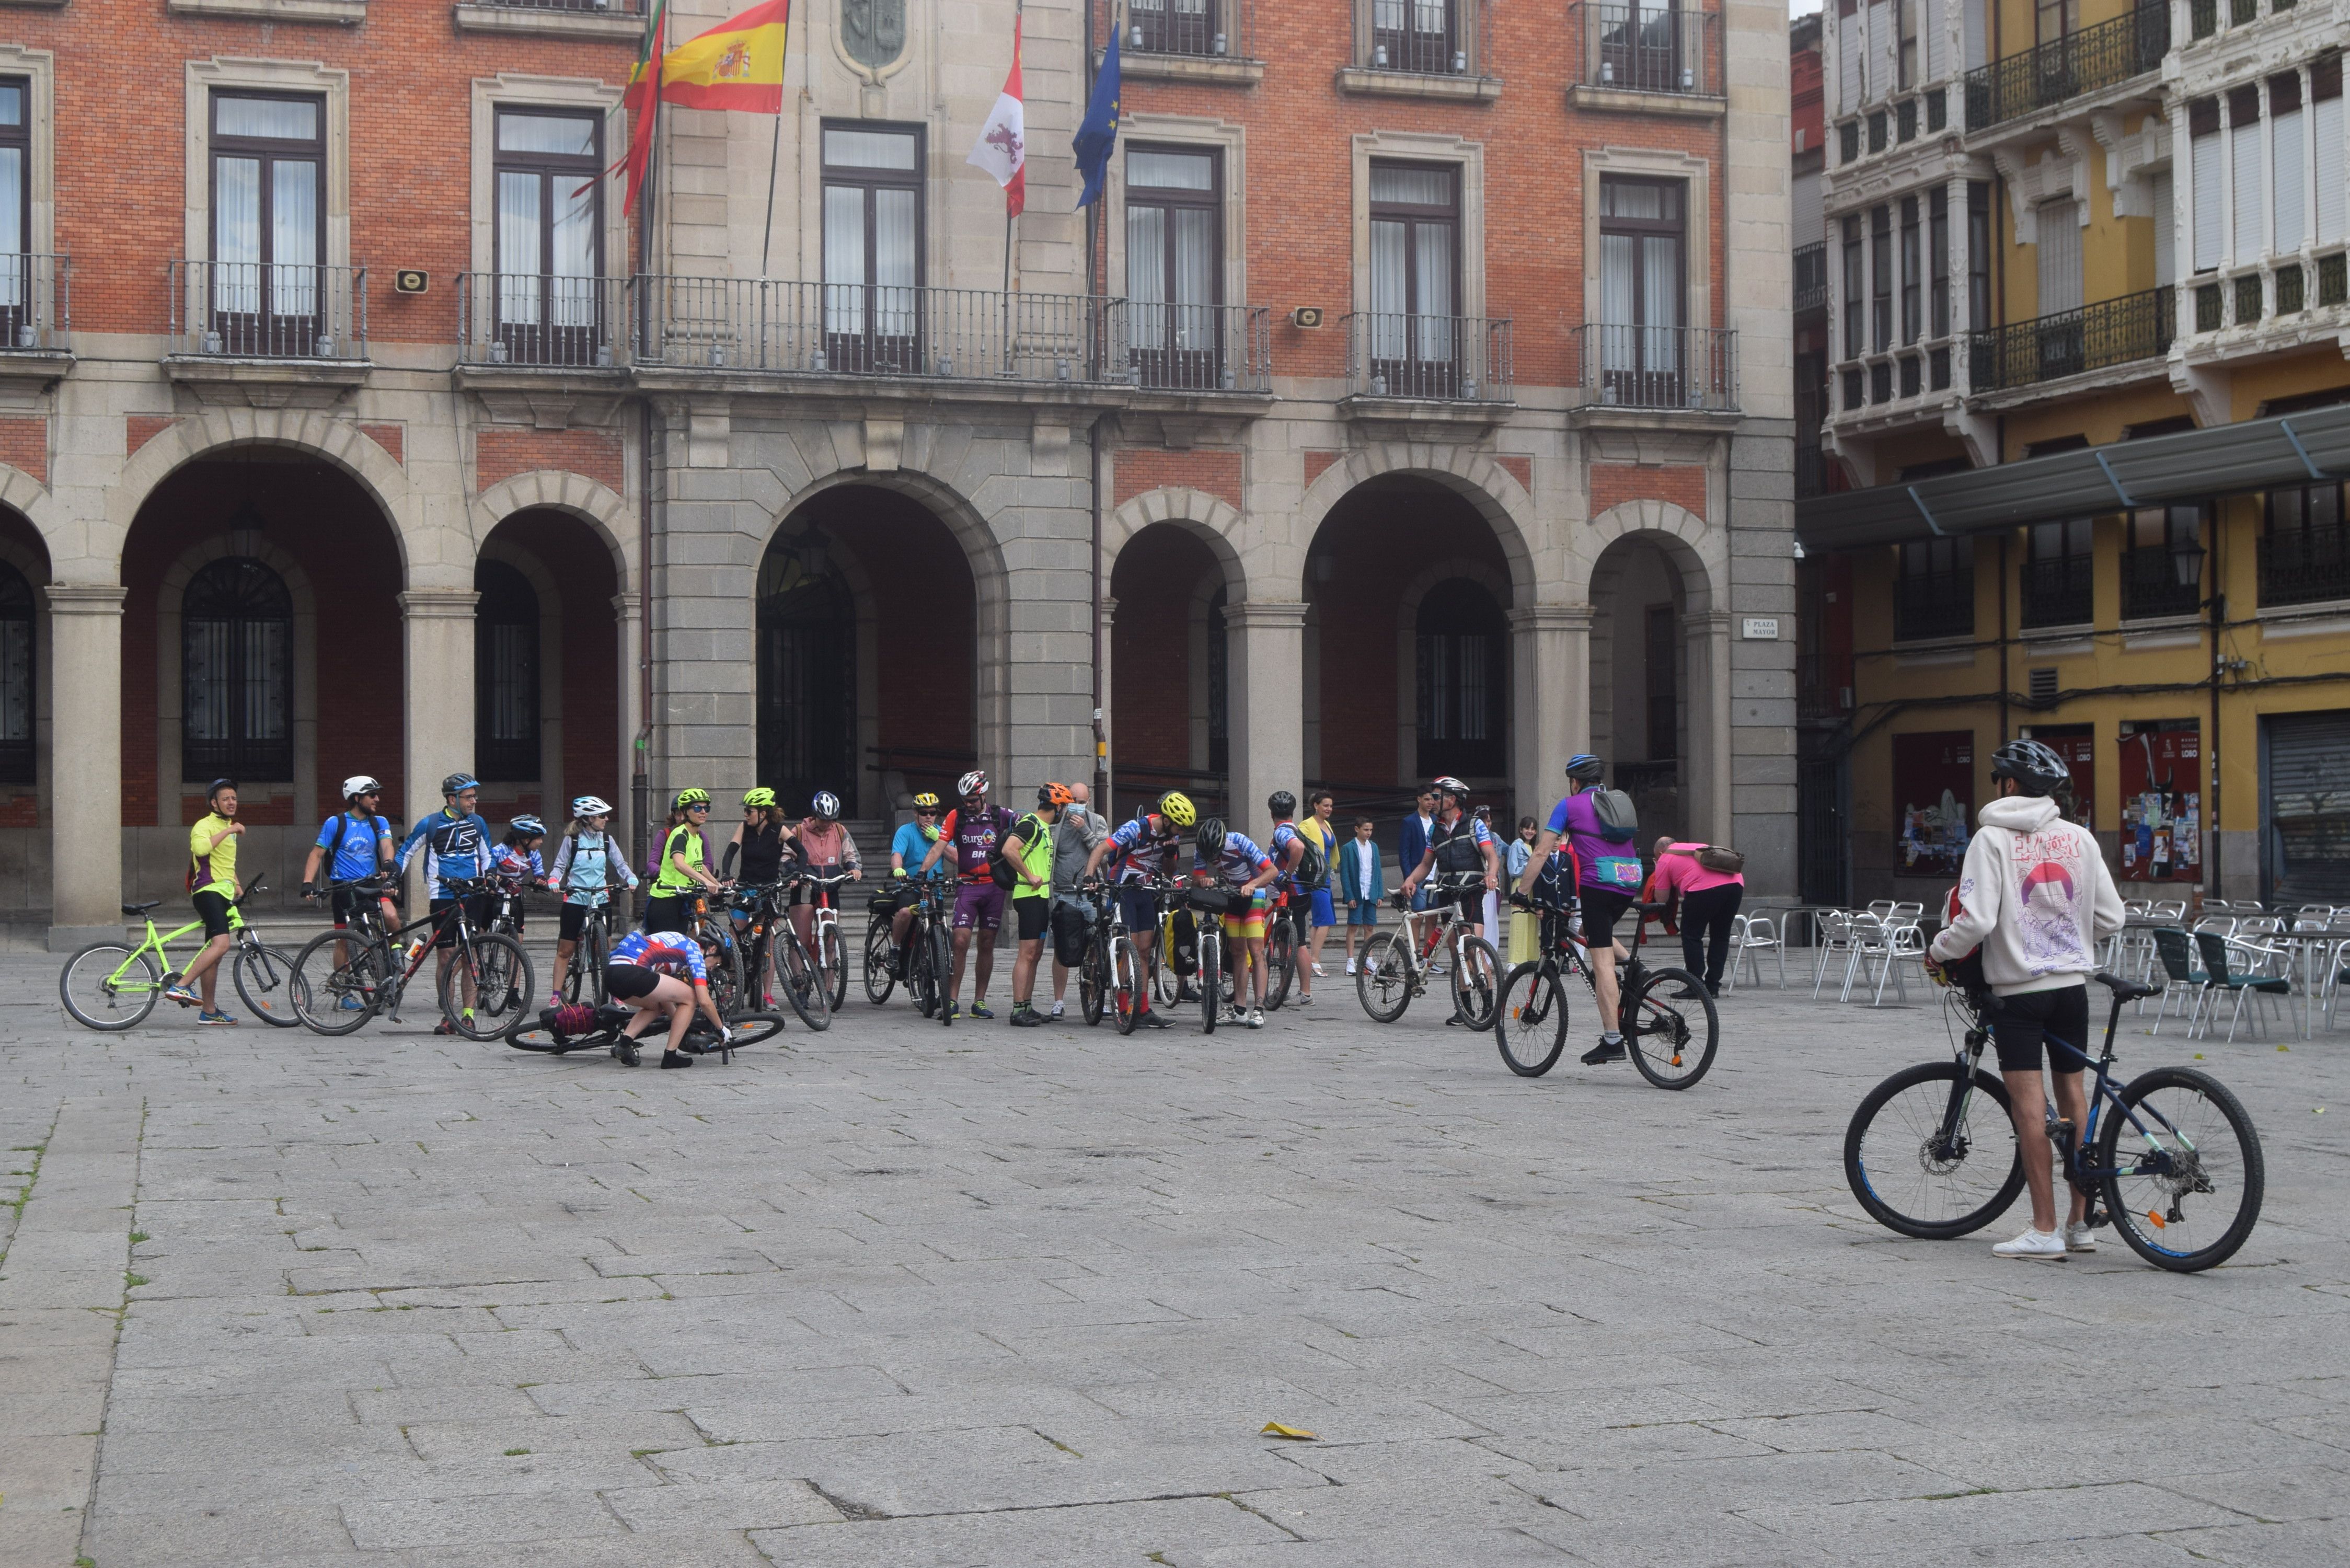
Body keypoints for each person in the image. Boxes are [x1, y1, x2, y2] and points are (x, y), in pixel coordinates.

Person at [1928, 738, 2125, 1261]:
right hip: (2070, 990)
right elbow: (2110, 918)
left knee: (2028, 1107)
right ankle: (2079, 1225)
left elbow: (1974, 921)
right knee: (2073, 1098)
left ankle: (2043, 1229)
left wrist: (1938, 949)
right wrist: (2063, 933)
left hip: (2017, 994)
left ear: (2007, 785)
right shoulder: (2078, 839)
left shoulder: (1989, 840)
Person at [1517, 755, 1644, 1066]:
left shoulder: (1569, 805)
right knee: (1589, 932)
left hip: (1597, 884)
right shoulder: (1615, 802)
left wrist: (1521, 893)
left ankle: (1613, 1040)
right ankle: (1634, 967)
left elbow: (1543, 851)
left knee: (1600, 961)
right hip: (1629, 880)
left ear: (1574, 782)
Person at [1080, 789, 1193, 1029]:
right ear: (1167, 820)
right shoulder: (1137, 828)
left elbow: (1170, 871)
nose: (1182, 833)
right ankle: (1123, 1005)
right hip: (1124, 889)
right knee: (1127, 948)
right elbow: (1100, 850)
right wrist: (1089, 876)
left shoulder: (1172, 835)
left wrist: (1171, 852)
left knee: (1143, 951)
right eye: (1180, 828)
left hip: (1147, 891)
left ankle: (1142, 1009)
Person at [395, 774, 496, 1036]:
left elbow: (488, 855)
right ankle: (448, 1015)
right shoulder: (431, 824)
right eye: (468, 797)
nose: (474, 801)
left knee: (470, 954)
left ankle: (469, 1016)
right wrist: (393, 876)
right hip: (443, 895)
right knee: (446, 957)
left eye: (475, 796)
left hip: (473, 895)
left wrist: (491, 875)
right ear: (452, 799)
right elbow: (405, 851)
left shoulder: (478, 822)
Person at [1398, 777, 1503, 1024]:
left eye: (1437, 796)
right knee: (1457, 954)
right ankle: (1464, 1010)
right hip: (1447, 891)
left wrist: (1491, 875)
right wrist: (1411, 880)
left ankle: (1489, 1009)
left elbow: (1491, 855)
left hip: (1471, 892)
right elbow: (1426, 864)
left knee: (1475, 949)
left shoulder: (1474, 825)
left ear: (1452, 800)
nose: (1433, 801)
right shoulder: (1434, 830)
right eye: (1433, 797)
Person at [917, 770, 1013, 1020]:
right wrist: (923, 871)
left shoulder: (1000, 815)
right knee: (960, 941)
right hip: (967, 885)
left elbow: (1025, 829)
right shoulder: (955, 816)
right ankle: (952, 999)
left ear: (983, 795)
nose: (968, 804)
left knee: (987, 942)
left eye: (972, 799)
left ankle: (979, 1002)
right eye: (965, 800)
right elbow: (940, 845)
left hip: (994, 887)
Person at [301, 776, 398, 997]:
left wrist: (388, 863)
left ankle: (393, 955)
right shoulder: (336, 823)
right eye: (372, 795)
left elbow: (387, 845)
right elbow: (317, 854)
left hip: (370, 884)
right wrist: (307, 883)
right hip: (343, 887)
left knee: (392, 917)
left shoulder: (379, 822)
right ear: (357, 798)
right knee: (343, 941)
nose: (377, 799)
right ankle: (342, 990)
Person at [166, 777, 247, 1024]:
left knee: (215, 953)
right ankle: (181, 986)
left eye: (234, 798)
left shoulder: (227, 826)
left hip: (223, 892)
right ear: (214, 803)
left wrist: (237, 883)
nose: (231, 802)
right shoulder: (205, 825)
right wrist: (230, 830)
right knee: (222, 945)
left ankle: (209, 1012)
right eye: (226, 799)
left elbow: (223, 862)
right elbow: (201, 851)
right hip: (207, 891)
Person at [545, 795, 638, 1005]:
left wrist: (630, 876)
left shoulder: (607, 840)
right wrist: (554, 879)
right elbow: (560, 866)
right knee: (565, 950)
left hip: (600, 896)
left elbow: (620, 863)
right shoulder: (572, 840)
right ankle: (556, 995)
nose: (606, 819)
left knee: (605, 947)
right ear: (588, 819)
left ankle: (614, 994)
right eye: (602, 816)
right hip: (576, 896)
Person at [1193, 815, 1280, 1028]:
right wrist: (1203, 881)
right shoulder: (1201, 849)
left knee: (1256, 951)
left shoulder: (1240, 842)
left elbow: (1272, 871)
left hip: (1254, 895)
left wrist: (1253, 884)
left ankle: (1259, 1010)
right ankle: (1240, 1010)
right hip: (1231, 895)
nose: (1213, 858)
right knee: (1238, 952)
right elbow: (1196, 879)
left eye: (1216, 854)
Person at [605, 925, 731, 1069]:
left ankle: (623, 1044)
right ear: (712, 949)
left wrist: (685, 1026)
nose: (713, 968)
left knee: (655, 1007)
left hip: (612, 975)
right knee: (691, 997)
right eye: (717, 962)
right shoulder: (695, 951)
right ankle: (670, 1057)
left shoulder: (678, 951)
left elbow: (662, 996)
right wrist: (721, 1028)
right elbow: (704, 1001)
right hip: (631, 971)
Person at [1003, 783, 1069, 1027]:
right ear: (1058, 806)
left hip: (1041, 897)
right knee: (1027, 953)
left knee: (1036, 953)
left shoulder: (1043, 828)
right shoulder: (1030, 824)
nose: (1065, 812)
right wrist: (1029, 875)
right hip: (1029, 896)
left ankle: (1027, 1006)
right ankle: (1017, 1009)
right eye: (1065, 807)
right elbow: (1009, 849)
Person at [1648, 836, 1744, 997]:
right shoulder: (1699, 846)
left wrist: (1659, 870)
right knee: (1720, 937)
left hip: (1702, 890)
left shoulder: (1665, 859)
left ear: (1660, 852)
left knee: (1691, 935)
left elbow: (1661, 900)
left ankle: (1695, 986)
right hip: (1736, 886)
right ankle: (1713, 987)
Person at [720, 787, 791, 1005]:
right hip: (746, 887)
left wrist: (797, 872)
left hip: (769, 890)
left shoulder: (779, 830)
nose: (745, 815)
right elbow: (730, 851)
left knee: (768, 942)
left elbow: (802, 851)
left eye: (749, 811)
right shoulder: (744, 828)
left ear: (763, 813)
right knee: (735, 937)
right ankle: (731, 987)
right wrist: (726, 874)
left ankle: (767, 994)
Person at [1047, 781, 1109, 1018]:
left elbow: (1103, 852)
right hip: (1064, 893)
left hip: (1091, 894)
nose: (1076, 807)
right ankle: (1058, 1002)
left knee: (1097, 947)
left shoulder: (1097, 821)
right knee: (1062, 949)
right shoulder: (1057, 824)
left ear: (1089, 802)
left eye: (1081, 803)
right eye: (1073, 802)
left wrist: (1084, 829)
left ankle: (1097, 998)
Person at [787, 791, 862, 982]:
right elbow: (785, 857)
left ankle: (829, 989)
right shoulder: (799, 831)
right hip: (805, 888)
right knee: (801, 941)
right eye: (823, 819)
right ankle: (800, 985)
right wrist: (795, 872)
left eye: (832, 819)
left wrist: (853, 869)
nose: (828, 824)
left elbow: (851, 855)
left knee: (830, 941)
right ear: (815, 815)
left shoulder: (839, 831)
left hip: (829, 888)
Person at [646, 788, 725, 933]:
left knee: (681, 949)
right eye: (697, 808)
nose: (703, 812)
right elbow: (679, 863)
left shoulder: (697, 836)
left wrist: (715, 883)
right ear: (686, 812)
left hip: (683, 898)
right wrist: (705, 882)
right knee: (667, 952)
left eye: (706, 808)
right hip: (666, 900)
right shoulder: (680, 834)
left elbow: (698, 865)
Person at [887, 792, 948, 979]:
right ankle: (895, 948)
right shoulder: (905, 831)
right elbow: (897, 854)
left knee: (941, 925)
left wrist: (940, 839)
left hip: (934, 888)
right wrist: (898, 870)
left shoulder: (943, 833)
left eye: (932, 812)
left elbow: (956, 857)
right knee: (905, 912)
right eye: (924, 813)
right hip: (911, 886)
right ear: (916, 814)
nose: (928, 816)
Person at [1298, 791, 1340, 989]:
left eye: (1331, 806)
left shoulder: (1327, 824)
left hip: (1326, 876)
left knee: (1319, 921)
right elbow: (1298, 845)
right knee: (1326, 920)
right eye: (1325, 805)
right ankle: (1314, 961)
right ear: (1315, 805)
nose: (1329, 809)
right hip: (1314, 877)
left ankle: (1313, 960)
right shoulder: (1307, 824)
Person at [1338, 816, 1385, 974]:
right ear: (1357, 829)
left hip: (1370, 892)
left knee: (1370, 926)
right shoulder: (1348, 848)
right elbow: (1345, 874)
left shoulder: (1375, 847)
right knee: (1353, 925)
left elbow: (1377, 871)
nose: (1369, 833)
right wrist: (1349, 896)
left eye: (1371, 830)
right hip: (1357, 893)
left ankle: (1369, 959)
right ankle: (1350, 961)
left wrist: (1379, 893)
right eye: (1366, 830)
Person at [490, 816, 546, 938]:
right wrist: (500, 880)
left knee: (518, 940)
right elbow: (486, 871)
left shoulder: (534, 854)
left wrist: (540, 881)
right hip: (494, 894)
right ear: (526, 840)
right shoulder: (500, 851)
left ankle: (513, 955)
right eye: (538, 838)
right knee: (480, 933)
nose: (541, 842)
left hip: (514, 895)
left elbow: (539, 872)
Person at [1505, 816, 1540, 966]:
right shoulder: (1516, 845)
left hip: (1533, 887)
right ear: (1521, 829)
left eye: (1533, 829)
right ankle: (1514, 960)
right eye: (1527, 828)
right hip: (1521, 885)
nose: (1530, 831)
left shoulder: (1535, 847)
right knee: (1519, 923)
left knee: (1531, 925)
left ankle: (1531, 958)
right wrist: (1531, 865)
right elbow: (1513, 870)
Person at [1398, 788, 1437, 913]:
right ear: (1419, 799)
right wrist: (1409, 877)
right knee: (1418, 914)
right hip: (1419, 875)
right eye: (1427, 799)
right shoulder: (1409, 821)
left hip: (1436, 875)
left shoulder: (1437, 820)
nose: (1431, 802)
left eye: (1432, 799)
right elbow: (1404, 852)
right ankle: (1414, 934)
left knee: (1433, 914)